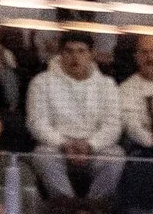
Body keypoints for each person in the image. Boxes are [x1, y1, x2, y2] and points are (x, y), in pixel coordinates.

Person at [26, 32, 125, 202]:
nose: (75, 57)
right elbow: (37, 122)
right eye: (69, 51)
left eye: (81, 51)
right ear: (60, 54)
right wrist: (64, 144)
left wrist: (90, 145)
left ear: (91, 54)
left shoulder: (107, 84)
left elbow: (113, 125)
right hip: (57, 147)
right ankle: (68, 207)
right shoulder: (41, 82)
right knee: (42, 156)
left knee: (116, 156)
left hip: (95, 149)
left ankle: (93, 209)